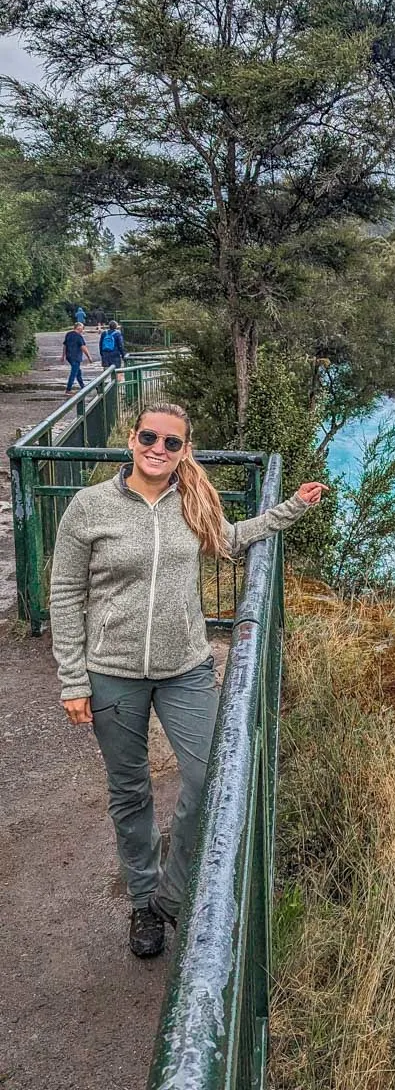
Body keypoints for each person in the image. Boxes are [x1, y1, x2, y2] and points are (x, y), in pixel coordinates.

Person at [49, 402, 327, 958]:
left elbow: (232, 539)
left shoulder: (193, 501)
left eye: (172, 442)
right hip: (112, 675)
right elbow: (66, 593)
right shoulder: (90, 506)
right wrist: (73, 679)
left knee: (208, 782)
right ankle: (142, 899)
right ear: (132, 439)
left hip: (187, 669)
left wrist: (291, 507)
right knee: (130, 793)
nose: (158, 448)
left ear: (184, 451)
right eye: (150, 436)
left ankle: (170, 898)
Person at [61, 322, 92, 392]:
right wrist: (89, 357)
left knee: (78, 371)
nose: (82, 330)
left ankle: (82, 386)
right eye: (82, 328)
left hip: (69, 356)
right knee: (74, 372)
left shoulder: (68, 334)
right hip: (76, 356)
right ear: (79, 328)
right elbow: (83, 347)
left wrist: (63, 355)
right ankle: (68, 389)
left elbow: (65, 345)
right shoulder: (79, 336)